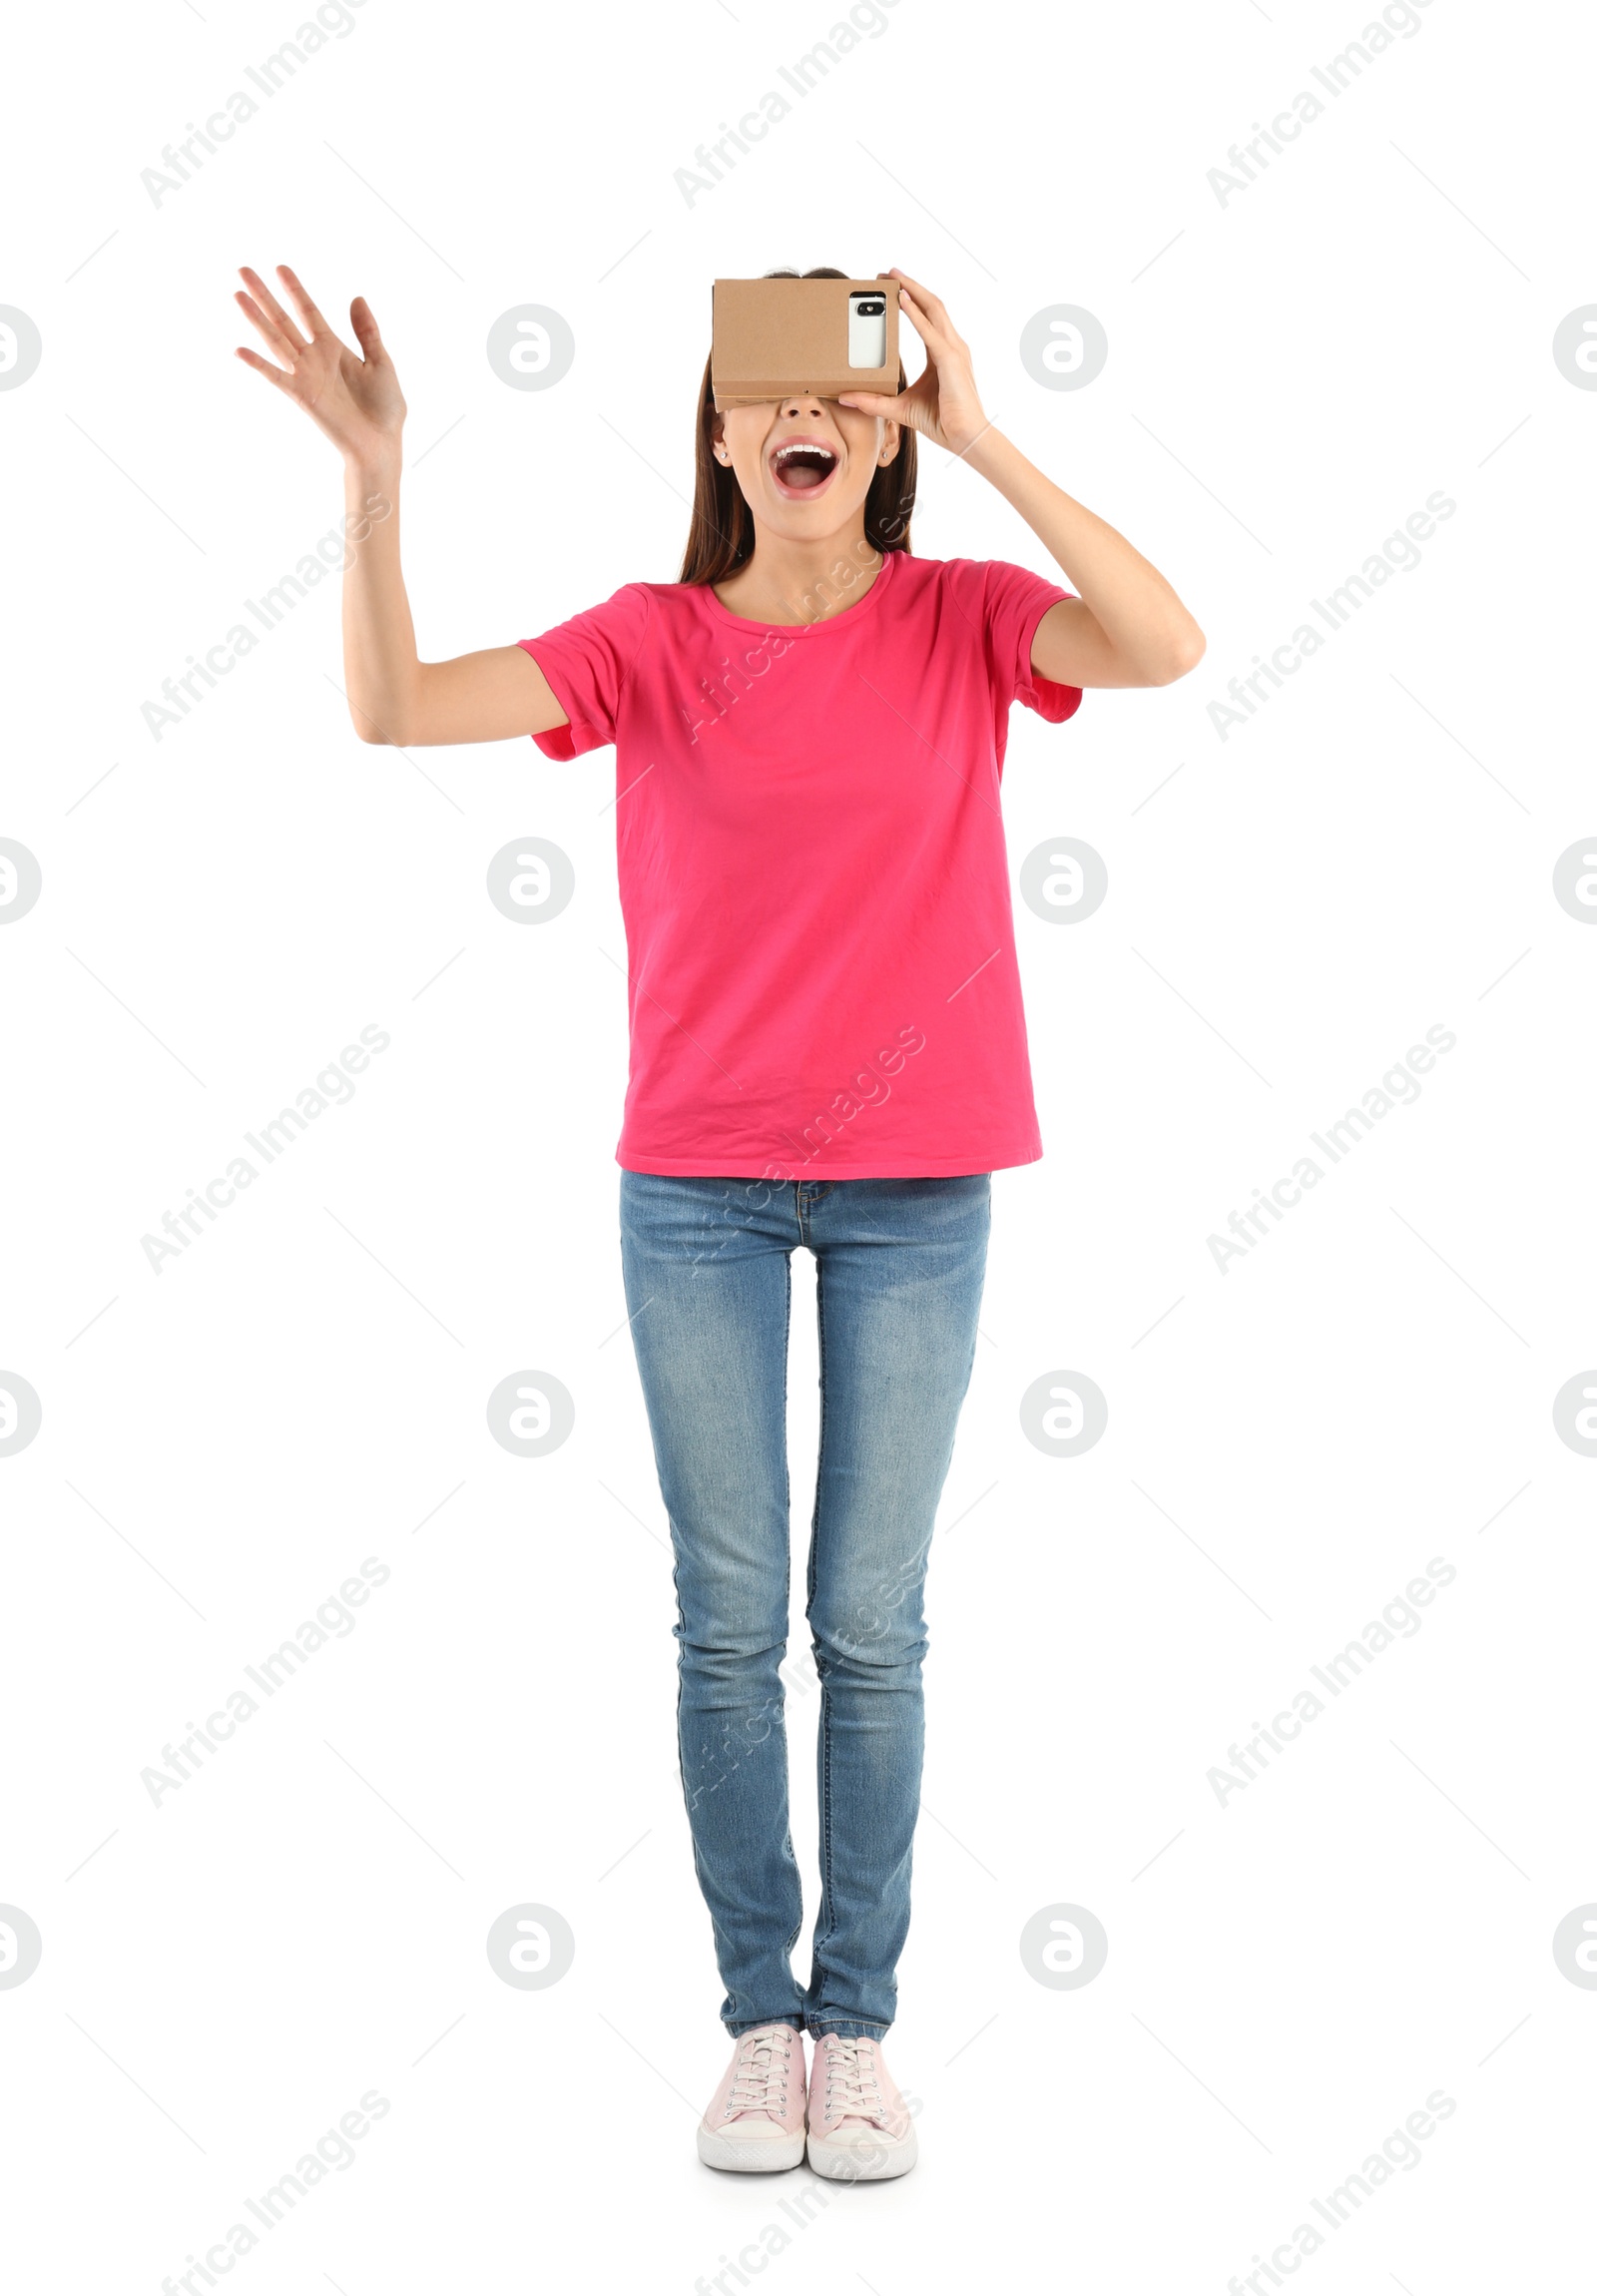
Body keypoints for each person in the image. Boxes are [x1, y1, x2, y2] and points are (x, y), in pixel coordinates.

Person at [234, 259, 1205, 2182]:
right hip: (696, 1186)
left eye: (843, 397)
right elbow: (391, 710)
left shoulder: (965, 619)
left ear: (880, 432)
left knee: (872, 1625)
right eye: (766, 396)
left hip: (920, 1185)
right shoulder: (653, 640)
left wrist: (983, 423)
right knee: (729, 1622)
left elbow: (1165, 645)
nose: (804, 417)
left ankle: (862, 2031)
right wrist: (375, 473)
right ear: (720, 435)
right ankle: (761, 2024)